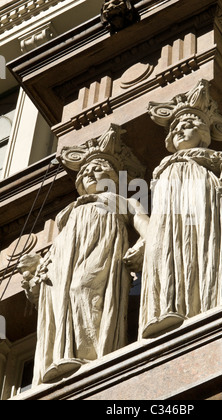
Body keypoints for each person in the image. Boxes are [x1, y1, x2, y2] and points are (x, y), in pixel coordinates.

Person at [19, 125, 149, 385]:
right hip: (65, 257)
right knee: (59, 299)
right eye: (86, 171)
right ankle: (64, 357)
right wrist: (39, 270)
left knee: (83, 289)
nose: (91, 173)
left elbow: (144, 223)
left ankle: (92, 355)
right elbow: (58, 246)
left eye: (99, 168)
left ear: (114, 177)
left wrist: (146, 241)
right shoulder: (68, 212)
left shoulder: (120, 200)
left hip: (101, 247)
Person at [135, 80, 222, 339]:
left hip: (200, 197)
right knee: (165, 249)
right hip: (167, 208)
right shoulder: (163, 166)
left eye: (188, 126)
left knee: (197, 247)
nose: (180, 130)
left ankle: (201, 307)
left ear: (203, 133)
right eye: (175, 127)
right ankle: (165, 308)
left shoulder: (217, 159)